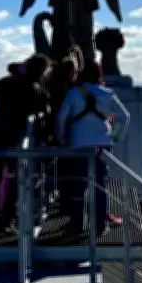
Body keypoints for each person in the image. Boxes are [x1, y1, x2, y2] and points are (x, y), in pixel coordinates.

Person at [0, 54, 53, 237]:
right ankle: (5, 220)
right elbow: (46, 117)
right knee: (16, 181)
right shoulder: (38, 91)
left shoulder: (8, 83)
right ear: (43, 72)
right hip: (18, 142)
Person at [55, 58, 130, 235]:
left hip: (78, 143)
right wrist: (116, 137)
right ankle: (100, 225)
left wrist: (61, 138)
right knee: (100, 184)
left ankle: (76, 224)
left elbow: (61, 118)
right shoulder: (107, 94)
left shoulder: (74, 93)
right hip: (102, 143)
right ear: (99, 74)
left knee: (78, 183)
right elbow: (124, 117)